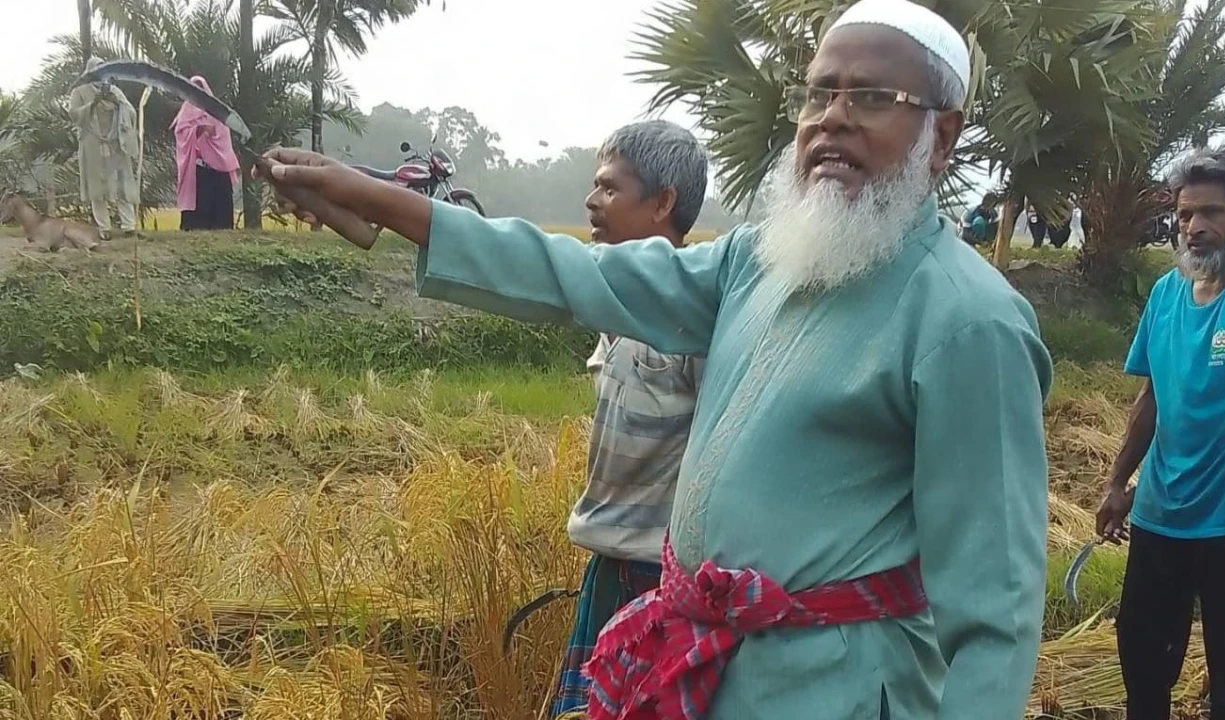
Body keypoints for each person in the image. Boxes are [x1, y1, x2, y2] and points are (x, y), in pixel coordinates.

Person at [256, 0, 1054, 717]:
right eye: (820, 93)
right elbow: (585, 275)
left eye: (873, 98)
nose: (832, 119)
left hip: (837, 689)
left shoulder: (970, 324)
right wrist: (390, 203)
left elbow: (997, 612)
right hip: (704, 671)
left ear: (941, 136)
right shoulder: (759, 261)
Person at [1096, 147, 1225, 720]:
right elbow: (1151, 397)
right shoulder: (1166, 292)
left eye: (1212, 214)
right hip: (1160, 514)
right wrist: (1117, 482)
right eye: (1184, 215)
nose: (1194, 228)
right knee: (1143, 664)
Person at [548, 119, 708, 719]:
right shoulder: (614, 303)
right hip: (612, 566)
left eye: (610, 189)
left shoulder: (695, 321)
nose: (591, 201)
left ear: (663, 203)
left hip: (663, 580)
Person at [68, 56, 141, 240]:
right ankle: (104, 228)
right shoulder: (79, 91)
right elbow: (73, 115)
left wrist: (116, 102)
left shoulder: (115, 90)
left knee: (123, 185)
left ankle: (129, 226)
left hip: (116, 144)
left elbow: (131, 112)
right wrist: (93, 103)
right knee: (97, 189)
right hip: (92, 145)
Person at [172, 75, 239, 231]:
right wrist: (198, 130)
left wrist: (212, 133)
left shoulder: (216, 111)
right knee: (198, 207)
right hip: (197, 170)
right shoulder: (186, 112)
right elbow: (181, 134)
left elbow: (223, 137)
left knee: (220, 209)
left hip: (218, 170)